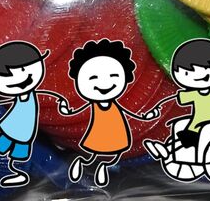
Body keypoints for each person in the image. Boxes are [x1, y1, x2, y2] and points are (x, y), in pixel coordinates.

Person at [0, 40, 67, 188]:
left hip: (24, 131)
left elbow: (49, 95)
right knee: (1, 147)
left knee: (16, 152)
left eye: (24, 71)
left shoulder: (37, 92)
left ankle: (16, 172)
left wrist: (62, 103)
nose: (20, 79)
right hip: (13, 127)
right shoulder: (16, 94)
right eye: (10, 76)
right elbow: (2, 101)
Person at [58, 39, 155, 187]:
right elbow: (80, 111)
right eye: (93, 78)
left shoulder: (118, 103)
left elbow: (129, 112)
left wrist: (145, 116)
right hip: (99, 131)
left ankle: (99, 166)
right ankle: (84, 162)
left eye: (113, 76)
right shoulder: (93, 104)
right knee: (97, 154)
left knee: (112, 154)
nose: (104, 83)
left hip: (117, 131)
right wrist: (67, 111)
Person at [143, 38, 210, 159]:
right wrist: (156, 108)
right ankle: (168, 150)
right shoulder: (194, 94)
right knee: (183, 133)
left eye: (206, 71)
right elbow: (173, 97)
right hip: (197, 125)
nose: (198, 75)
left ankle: (168, 150)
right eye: (187, 73)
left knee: (188, 136)